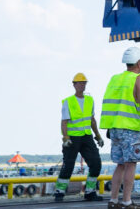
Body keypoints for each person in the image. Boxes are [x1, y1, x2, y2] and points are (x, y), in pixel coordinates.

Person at [101, 47, 140, 209]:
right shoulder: (138, 78)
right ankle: (127, 201)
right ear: (139, 63)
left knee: (120, 165)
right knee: (131, 164)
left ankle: (113, 201)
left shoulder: (115, 79)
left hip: (114, 129)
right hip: (129, 129)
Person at [55, 73, 104, 202]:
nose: (82, 85)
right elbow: (64, 122)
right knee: (68, 165)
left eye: (84, 83)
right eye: (80, 83)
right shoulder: (68, 102)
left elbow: (92, 120)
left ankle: (90, 192)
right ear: (74, 85)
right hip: (72, 138)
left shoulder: (89, 100)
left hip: (86, 137)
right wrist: (65, 138)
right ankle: (59, 192)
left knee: (96, 163)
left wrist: (97, 135)